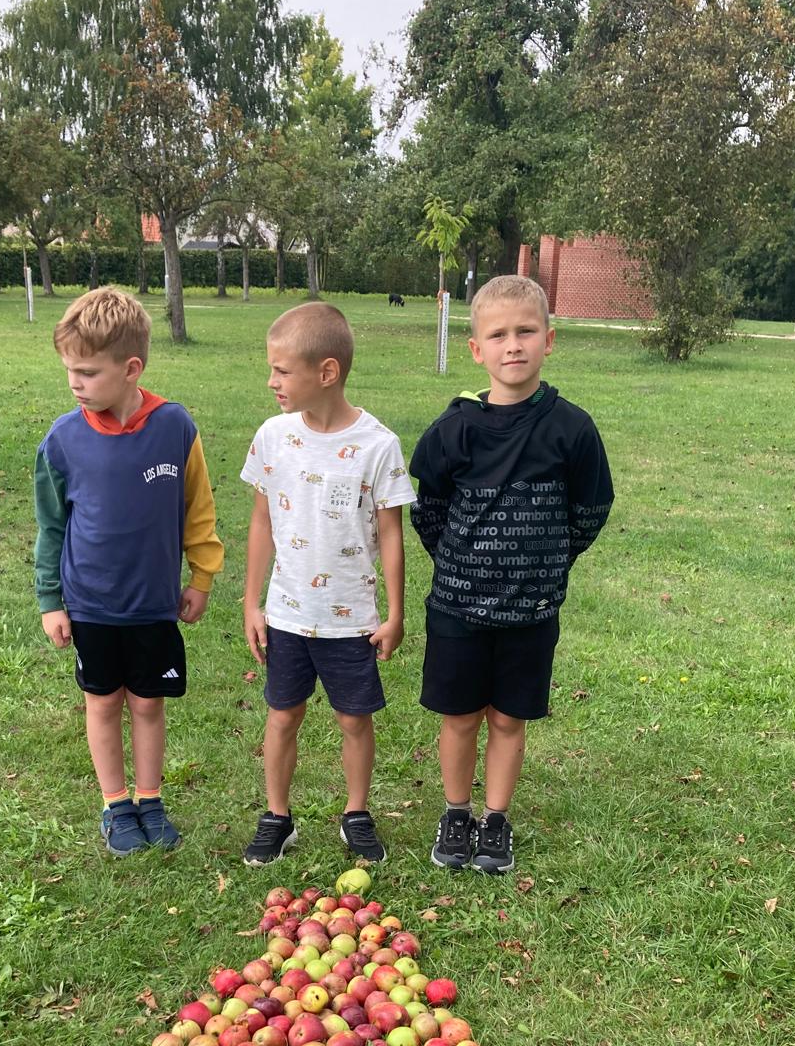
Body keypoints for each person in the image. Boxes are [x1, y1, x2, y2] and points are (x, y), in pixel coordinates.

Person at [410, 274, 613, 875]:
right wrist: (463, 564)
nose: (513, 345)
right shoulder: (454, 430)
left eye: (526, 332)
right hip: (458, 608)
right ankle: (456, 812)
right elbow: (429, 511)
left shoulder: (571, 428)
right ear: (477, 349)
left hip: (531, 611)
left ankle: (495, 820)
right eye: (498, 335)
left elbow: (590, 511)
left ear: (549, 340)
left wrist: (546, 563)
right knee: (460, 717)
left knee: (506, 718)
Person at [34, 286, 223, 855]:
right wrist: (50, 600)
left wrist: (201, 577)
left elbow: (198, 508)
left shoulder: (175, 427)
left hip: (153, 604)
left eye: (88, 372)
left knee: (146, 703)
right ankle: (116, 805)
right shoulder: (63, 441)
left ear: (131, 368)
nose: (75, 383)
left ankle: (150, 799)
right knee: (102, 702)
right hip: (90, 604)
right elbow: (51, 526)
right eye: (70, 370)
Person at [240, 302, 414, 867]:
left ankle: (356, 813)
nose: (271, 382)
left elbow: (391, 534)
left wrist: (394, 613)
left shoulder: (378, 445)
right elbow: (262, 522)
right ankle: (277, 816)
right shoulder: (272, 437)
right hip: (287, 613)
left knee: (353, 719)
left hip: (351, 617)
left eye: (282, 371)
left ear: (327, 372)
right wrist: (251, 603)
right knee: (282, 715)